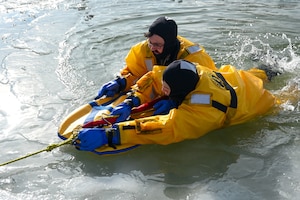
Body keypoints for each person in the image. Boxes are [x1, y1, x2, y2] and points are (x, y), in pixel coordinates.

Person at [74, 60, 278, 151]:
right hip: (238, 79)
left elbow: (166, 127)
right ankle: (269, 69)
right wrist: (132, 99)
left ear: (180, 90)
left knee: (285, 99)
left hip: (254, 102)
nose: (162, 90)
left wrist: (111, 135)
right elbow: (155, 76)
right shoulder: (190, 71)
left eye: (166, 89)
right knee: (258, 74)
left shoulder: (205, 109)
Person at [95, 16, 217, 99]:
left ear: (169, 44)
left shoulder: (195, 58)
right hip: (149, 92)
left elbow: (207, 87)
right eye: (150, 42)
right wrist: (122, 82)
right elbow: (136, 74)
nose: (152, 48)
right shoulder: (144, 49)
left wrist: (174, 101)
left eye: (157, 45)